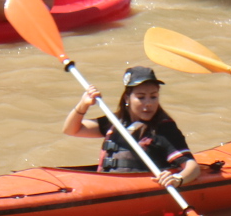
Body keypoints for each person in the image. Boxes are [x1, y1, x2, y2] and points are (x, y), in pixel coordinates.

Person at [63, 66, 208, 188]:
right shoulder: (116, 121)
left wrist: (177, 179)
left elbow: (192, 167)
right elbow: (71, 129)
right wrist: (83, 104)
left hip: (136, 190)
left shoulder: (163, 129)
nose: (148, 103)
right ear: (127, 98)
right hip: (107, 185)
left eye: (153, 96)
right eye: (141, 97)